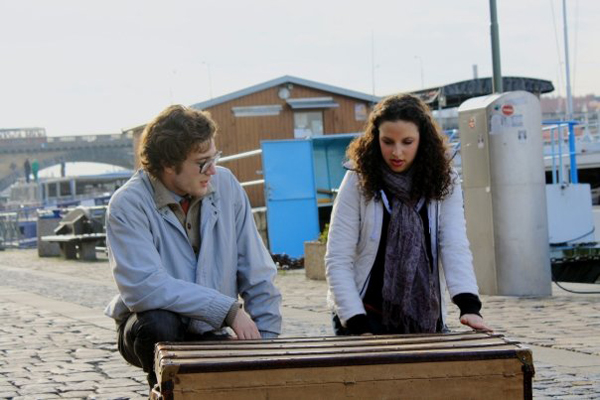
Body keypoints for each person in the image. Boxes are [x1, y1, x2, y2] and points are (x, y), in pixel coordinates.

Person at [104, 105, 282, 390]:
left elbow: (256, 269)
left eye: (214, 158)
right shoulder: (127, 204)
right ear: (168, 165)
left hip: (209, 329)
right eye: (202, 162)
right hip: (149, 327)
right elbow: (145, 287)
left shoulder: (227, 186)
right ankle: (166, 392)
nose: (212, 169)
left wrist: (267, 343)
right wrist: (228, 310)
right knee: (159, 324)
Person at [325, 94, 491, 336]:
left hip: (423, 316)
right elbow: (338, 257)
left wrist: (469, 306)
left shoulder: (444, 179)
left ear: (422, 140)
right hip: (362, 315)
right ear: (375, 139)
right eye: (388, 141)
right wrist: (356, 322)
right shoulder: (358, 178)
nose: (397, 152)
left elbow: (453, 244)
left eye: (407, 142)